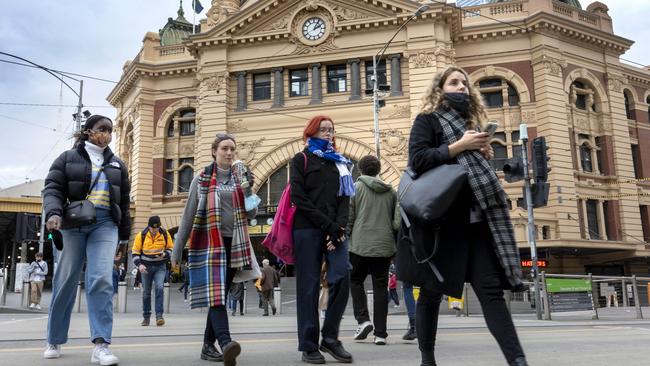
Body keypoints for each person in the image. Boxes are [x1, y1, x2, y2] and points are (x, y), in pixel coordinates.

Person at [397, 66, 528, 366]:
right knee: (430, 294)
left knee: (491, 293)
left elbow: (471, 177)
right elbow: (417, 161)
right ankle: (427, 360)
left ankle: (518, 360)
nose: (462, 87)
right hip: (442, 226)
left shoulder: (472, 124)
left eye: (465, 83)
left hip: (478, 224)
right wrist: (459, 147)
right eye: (454, 82)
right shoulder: (427, 120)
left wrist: (479, 154)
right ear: (440, 88)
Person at [42, 115, 130, 365]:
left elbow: (123, 201)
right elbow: (53, 188)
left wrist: (124, 237)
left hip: (105, 224)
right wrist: (54, 213)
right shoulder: (67, 158)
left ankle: (101, 345)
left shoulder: (117, 164)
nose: (107, 134)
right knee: (66, 280)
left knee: (101, 278)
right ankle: (54, 338)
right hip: (74, 223)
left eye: (110, 130)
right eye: (102, 129)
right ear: (88, 131)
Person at [172, 132, 261, 365]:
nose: (229, 153)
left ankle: (206, 346)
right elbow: (188, 215)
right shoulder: (200, 179)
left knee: (219, 294)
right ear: (214, 151)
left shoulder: (240, 178)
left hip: (236, 244)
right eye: (224, 149)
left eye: (232, 148)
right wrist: (177, 248)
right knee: (218, 296)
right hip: (210, 244)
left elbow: (252, 213)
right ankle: (226, 342)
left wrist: (248, 189)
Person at [290, 115, 355, 364]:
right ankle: (309, 345)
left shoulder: (340, 163)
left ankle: (329, 338)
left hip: (333, 231)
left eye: (331, 130)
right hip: (306, 230)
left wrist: (337, 229)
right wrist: (328, 226)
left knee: (342, 276)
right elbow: (298, 197)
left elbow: (344, 199)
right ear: (312, 133)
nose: (328, 133)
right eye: (323, 130)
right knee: (308, 287)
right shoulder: (301, 159)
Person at [346, 154, 400, 346]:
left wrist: (346, 236)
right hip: (384, 246)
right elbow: (396, 223)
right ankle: (381, 334)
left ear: (360, 170)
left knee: (355, 280)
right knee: (380, 288)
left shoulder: (356, 188)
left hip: (359, 245)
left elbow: (349, 218)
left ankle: (363, 320)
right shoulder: (391, 192)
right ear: (378, 170)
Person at [132, 215, 174, 327]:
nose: (155, 230)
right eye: (152, 228)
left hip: (160, 266)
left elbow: (170, 248)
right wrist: (139, 265)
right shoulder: (141, 235)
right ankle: (146, 317)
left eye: (157, 228)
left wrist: (165, 254)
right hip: (145, 268)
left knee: (160, 288)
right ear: (148, 226)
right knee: (146, 293)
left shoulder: (165, 234)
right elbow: (135, 253)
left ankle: (159, 316)